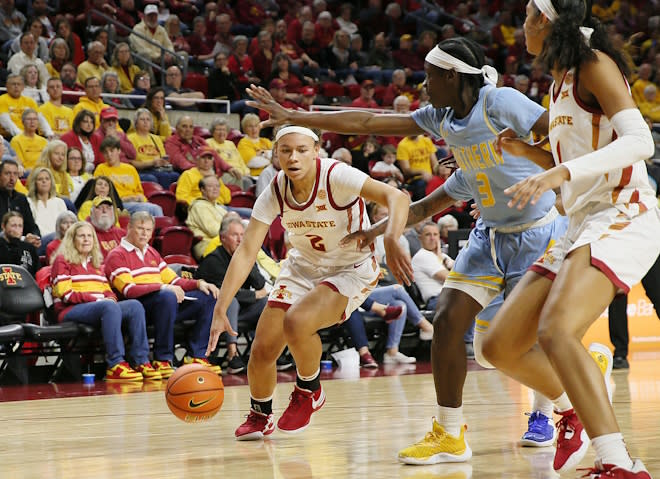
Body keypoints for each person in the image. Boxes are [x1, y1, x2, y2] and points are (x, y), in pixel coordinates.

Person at [244, 35, 570, 461]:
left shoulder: (500, 102)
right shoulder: (443, 119)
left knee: (519, 343)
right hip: (488, 236)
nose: (423, 86)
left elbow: (563, 133)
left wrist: (546, 169)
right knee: (453, 327)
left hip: (538, 233)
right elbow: (369, 125)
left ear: (452, 76)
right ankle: (449, 434)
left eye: (430, 76)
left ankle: (551, 412)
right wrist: (297, 115)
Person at [481, 2, 660, 477]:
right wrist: (530, 154)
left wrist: (557, 169)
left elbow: (641, 142)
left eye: (525, 15)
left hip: (625, 211)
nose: (520, 26)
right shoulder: (559, 82)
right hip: (582, 220)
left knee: (557, 331)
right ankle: (573, 408)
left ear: (545, 19)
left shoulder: (593, 64)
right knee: (497, 346)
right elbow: (583, 164)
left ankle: (620, 464)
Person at [205, 125, 410, 439]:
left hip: (349, 268)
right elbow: (247, 250)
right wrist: (221, 306)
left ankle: (309, 390)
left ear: (317, 151)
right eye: (285, 150)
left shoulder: (337, 176)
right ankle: (260, 415)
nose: (293, 157)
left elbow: (397, 197)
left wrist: (392, 237)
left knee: (297, 321)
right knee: (262, 349)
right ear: (276, 155)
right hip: (302, 267)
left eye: (301, 149)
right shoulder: (275, 189)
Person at [105, 211, 221, 379]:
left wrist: (199, 283)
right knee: (167, 296)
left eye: (148, 229)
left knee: (209, 296)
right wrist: (163, 287)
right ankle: (162, 358)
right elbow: (128, 290)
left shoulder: (152, 253)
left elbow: (174, 280)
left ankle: (195, 356)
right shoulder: (117, 255)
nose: (145, 233)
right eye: (140, 228)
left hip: (165, 304)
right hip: (140, 308)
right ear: (129, 228)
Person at [51, 221, 159, 382]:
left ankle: (141, 360)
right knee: (108, 306)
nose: (86, 240)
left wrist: (111, 298)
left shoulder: (97, 263)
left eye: (90, 236)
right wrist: (98, 299)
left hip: (99, 307)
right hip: (70, 310)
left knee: (134, 306)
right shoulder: (62, 260)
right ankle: (115, 364)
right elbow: (65, 294)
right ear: (72, 239)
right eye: (81, 236)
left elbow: (107, 290)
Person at [196, 215, 269, 374]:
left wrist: (248, 260)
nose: (240, 239)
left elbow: (260, 284)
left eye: (242, 235)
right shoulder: (213, 261)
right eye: (235, 235)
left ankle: (265, 354)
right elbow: (226, 293)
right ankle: (232, 355)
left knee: (266, 303)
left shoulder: (244, 256)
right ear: (222, 238)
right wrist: (254, 295)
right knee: (231, 301)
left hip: (240, 312)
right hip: (216, 313)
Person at [607, 254, 660, 370]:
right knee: (617, 298)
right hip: (619, 249)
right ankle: (620, 354)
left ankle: (620, 354)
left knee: (657, 292)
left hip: (647, 247)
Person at [94, 136, 163, 217]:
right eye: (106, 152)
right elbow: (99, 193)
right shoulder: (101, 168)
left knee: (156, 208)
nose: (109, 155)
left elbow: (139, 191)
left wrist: (140, 198)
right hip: (118, 203)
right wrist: (123, 199)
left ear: (119, 151)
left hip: (135, 202)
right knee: (150, 209)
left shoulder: (130, 169)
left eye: (112, 151)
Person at [125, 108, 178, 188]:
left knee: (176, 176)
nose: (145, 122)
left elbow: (163, 156)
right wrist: (151, 162)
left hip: (157, 169)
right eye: (142, 119)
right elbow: (131, 163)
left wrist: (163, 162)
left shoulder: (156, 138)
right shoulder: (130, 138)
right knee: (158, 177)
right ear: (136, 123)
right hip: (141, 171)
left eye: (148, 119)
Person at [0, 159, 40, 247]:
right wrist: (22, 238)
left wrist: (34, 237)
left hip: (21, 246)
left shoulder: (21, 198)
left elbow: (32, 226)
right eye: (7, 174)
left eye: (15, 174)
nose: (12, 178)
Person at [26, 166, 67, 237]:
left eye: (47, 179)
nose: (44, 181)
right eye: (40, 179)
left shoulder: (59, 202)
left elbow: (66, 224)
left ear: (51, 182)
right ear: (34, 183)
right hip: (40, 239)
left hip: (59, 239)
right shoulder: (28, 202)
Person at [0, 211, 39, 277]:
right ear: (3, 226)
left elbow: (38, 271)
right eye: (13, 226)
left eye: (20, 226)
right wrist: (15, 242)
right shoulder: (2, 246)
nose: (17, 229)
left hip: (28, 285)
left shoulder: (29, 248)